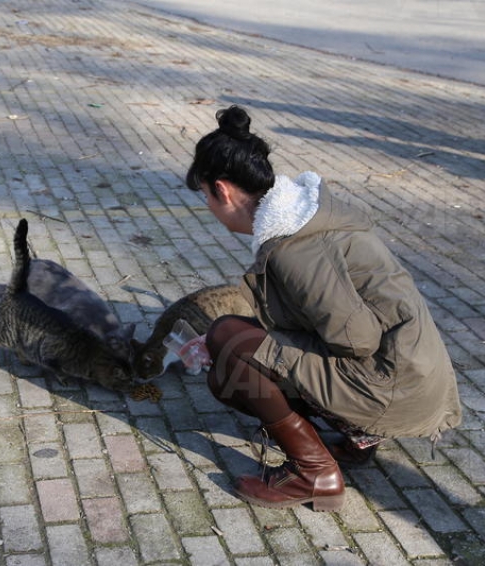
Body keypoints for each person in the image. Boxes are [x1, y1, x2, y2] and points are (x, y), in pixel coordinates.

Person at [184, 105, 462, 512]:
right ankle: (355, 438)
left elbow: (356, 337)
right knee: (241, 343)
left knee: (228, 338)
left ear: (223, 191)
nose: (209, 206)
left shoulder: (296, 249)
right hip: (411, 375)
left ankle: (315, 472)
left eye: (206, 196)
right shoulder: (307, 218)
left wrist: (248, 345)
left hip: (393, 389)